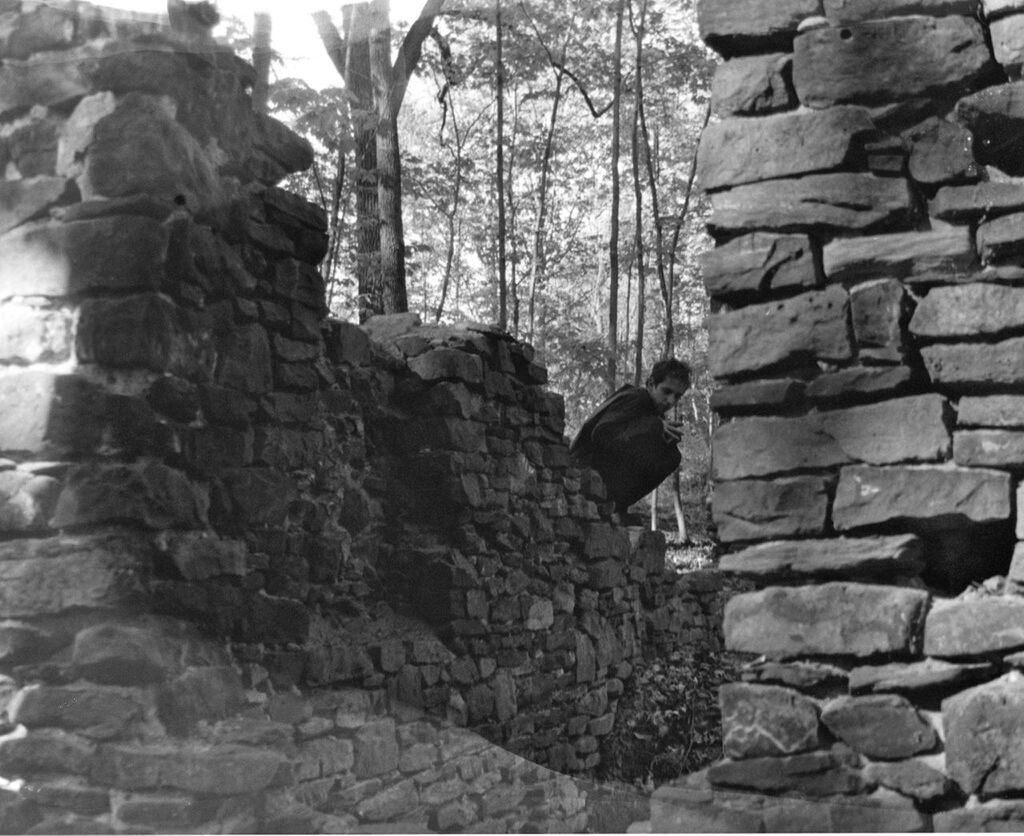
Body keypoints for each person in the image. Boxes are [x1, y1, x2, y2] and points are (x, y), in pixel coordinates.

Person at [570, 359, 691, 513]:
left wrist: (661, 440)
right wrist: (654, 427)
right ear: (651, 384)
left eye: (677, 396)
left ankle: (615, 504)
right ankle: (612, 502)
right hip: (581, 466)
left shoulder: (652, 411)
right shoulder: (637, 397)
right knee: (670, 456)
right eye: (666, 391)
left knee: (671, 456)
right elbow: (601, 434)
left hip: (599, 472)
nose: (671, 401)